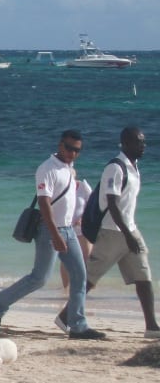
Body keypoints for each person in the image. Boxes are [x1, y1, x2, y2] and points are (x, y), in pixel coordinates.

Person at [0, 129, 106, 339]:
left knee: (80, 276)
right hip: (50, 231)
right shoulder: (47, 168)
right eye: (68, 148)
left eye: (77, 150)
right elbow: (44, 203)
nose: (72, 153)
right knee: (39, 278)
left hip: (68, 229)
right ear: (60, 145)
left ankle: (77, 325)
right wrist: (55, 235)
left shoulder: (69, 168)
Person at [55, 126, 160, 338]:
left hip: (129, 230)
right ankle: (66, 317)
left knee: (143, 276)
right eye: (139, 142)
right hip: (111, 233)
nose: (143, 146)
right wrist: (128, 235)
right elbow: (112, 203)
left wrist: (131, 233)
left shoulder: (134, 166)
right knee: (90, 279)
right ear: (126, 143)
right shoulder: (115, 167)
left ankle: (151, 327)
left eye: (143, 142)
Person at [60, 173, 93, 289]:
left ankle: (85, 287)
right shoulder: (61, 188)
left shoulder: (83, 187)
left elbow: (93, 205)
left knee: (87, 258)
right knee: (65, 260)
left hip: (83, 229)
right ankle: (66, 289)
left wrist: (83, 218)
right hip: (66, 228)